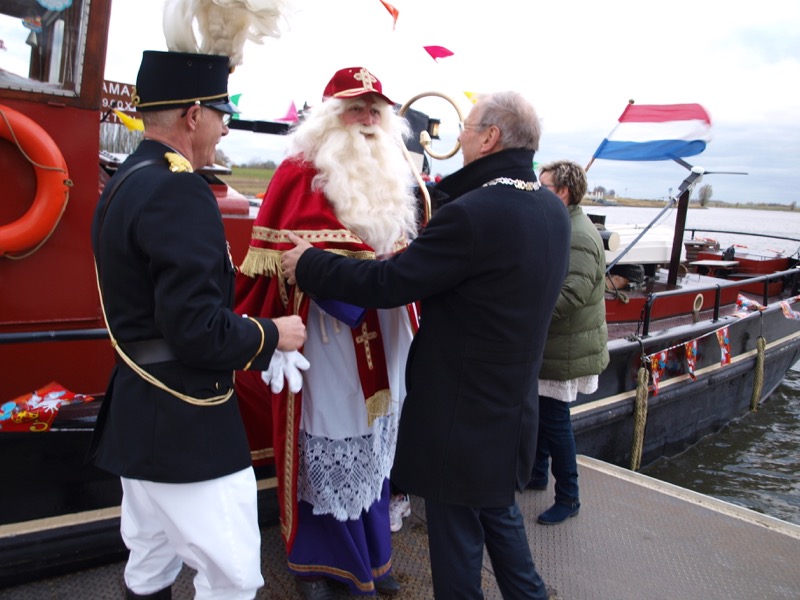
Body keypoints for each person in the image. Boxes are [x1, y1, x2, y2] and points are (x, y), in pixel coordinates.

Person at [281, 91, 571, 600]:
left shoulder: (475, 214)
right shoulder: (550, 209)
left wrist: (311, 263)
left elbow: (391, 283)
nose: (458, 137)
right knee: (504, 532)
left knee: (457, 555)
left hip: (460, 423)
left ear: (490, 138)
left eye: (467, 128)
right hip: (511, 414)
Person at [90, 50, 306, 600]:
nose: (224, 127)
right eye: (220, 114)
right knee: (232, 577)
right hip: (186, 423)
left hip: (139, 408)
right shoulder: (179, 189)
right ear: (192, 115)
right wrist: (272, 335)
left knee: (149, 560)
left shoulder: (125, 179)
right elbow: (196, 330)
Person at [234, 66, 419, 599]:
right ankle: (321, 564)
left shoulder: (392, 170)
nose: (365, 119)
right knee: (332, 439)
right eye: (354, 108)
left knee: (375, 445)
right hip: (328, 335)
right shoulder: (298, 171)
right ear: (329, 116)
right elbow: (276, 259)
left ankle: (373, 558)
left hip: (384, 332)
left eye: (374, 110)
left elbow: (403, 249)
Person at [528, 160, 610, 525]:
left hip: (566, 345)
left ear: (562, 191)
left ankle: (569, 497)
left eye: (543, 186)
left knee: (556, 420)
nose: (537, 190)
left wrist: (525, 309)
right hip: (559, 341)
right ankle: (536, 474)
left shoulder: (578, 234)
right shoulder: (566, 223)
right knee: (545, 413)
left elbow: (572, 294)